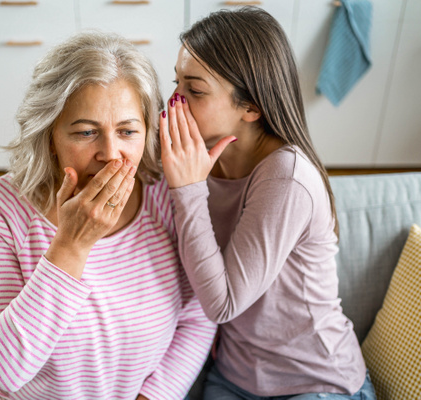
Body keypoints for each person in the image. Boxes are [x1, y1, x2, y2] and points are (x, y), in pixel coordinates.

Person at [0, 31, 215, 400]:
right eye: (86, 132)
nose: (111, 154)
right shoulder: (1, 208)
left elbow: (199, 315)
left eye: (127, 131)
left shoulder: (164, 194)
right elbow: (4, 371)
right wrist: (71, 244)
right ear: (49, 134)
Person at [159, 7, 377, 400]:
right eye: (177, 82)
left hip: (316, 383)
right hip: (233, 377)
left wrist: (187, 190)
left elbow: (222, 304)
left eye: (195, 89)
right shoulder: (194, 158)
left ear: (251, 107)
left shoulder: (287, 177)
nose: (174, 101)